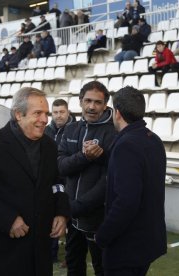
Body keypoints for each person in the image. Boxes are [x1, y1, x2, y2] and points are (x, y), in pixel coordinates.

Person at [0, 87, 70, 276]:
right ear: (19, 114)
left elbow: (56, 183)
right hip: (2, 254)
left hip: (39, 256)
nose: (45, 120)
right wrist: (7, 219)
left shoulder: (49, 146)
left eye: (46, 114)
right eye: (38, 113)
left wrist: (61, 211)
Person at [95, 86, 167, 276]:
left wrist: (103, 235)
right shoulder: (154, 139)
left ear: (117, 113)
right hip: (146, 243)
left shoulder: (126, 145)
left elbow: (127, 201)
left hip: (128, 247)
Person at [58, 81, 116, 276]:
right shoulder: (71, 129)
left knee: (102, 267)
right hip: (72, 214)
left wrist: (76, 207)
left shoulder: (113, 133)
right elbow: (61, 167)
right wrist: (85, 157)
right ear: (80, 101)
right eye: (88, 101)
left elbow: (109, 181)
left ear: (106, 105)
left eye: (98, 102)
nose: (92, 106)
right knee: (74, 264)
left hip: (97, 217)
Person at [44, 99, 75, 264]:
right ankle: (52, 254)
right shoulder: (47, 130)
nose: (58, 116)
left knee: (70, 220)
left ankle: (70, 256)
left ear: (68, 112)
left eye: (61, 112)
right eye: (55, 112)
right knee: (53, 216)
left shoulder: (75, 130)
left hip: (70, 180)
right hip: (52, 180)